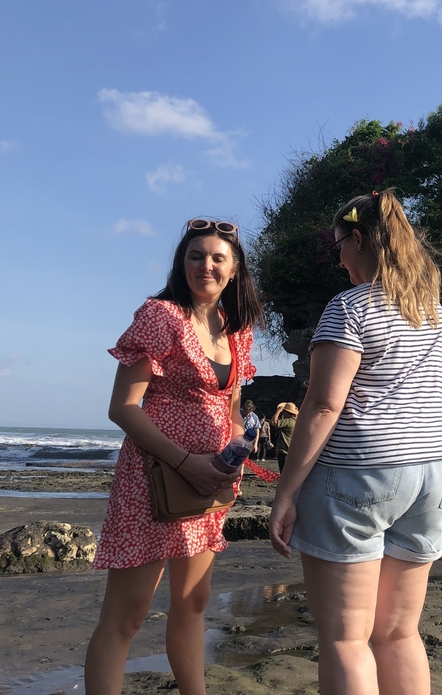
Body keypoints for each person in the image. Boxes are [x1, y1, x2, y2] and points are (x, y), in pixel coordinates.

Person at [268, 189, 442, 695]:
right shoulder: (433, 312)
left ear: (357, 239)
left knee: (346, 639)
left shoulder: (350, 307)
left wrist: (286, 492)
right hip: (435, 470)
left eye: (339, 246)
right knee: (399, 632)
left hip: (362, 469)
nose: (338, 259)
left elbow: (323, 405)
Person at [85, 218, 268, 695]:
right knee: (127, 615)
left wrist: (234, 450)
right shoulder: (160, 316)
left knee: (193, 602)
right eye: (195, 255)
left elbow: (230, 407)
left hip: (211, 482)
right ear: (181, 262)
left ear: (234, 269)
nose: (205, 265)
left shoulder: (236, 328)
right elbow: (123, 407)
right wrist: (187, 462)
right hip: (154, 479)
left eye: (217, 258)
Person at [270, 402, 298, 472]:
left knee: (284, 472)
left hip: (285, 450)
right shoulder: (297, 421)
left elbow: (273, 422)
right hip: (293, 450)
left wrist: (278, 411)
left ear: (286, 412)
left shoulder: (288, 421)